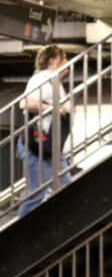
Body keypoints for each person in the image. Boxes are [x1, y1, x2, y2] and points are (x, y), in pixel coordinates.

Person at [16, 44, 73, 218]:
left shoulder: (54, 80)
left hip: (51, 147)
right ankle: (19, 233)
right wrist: (52, 107)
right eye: (63, 59)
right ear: (52, 61)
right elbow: (25, 103)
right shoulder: (42, 78)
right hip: (38, 146)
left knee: (67, 186)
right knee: (36, 194)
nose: (67, 63)